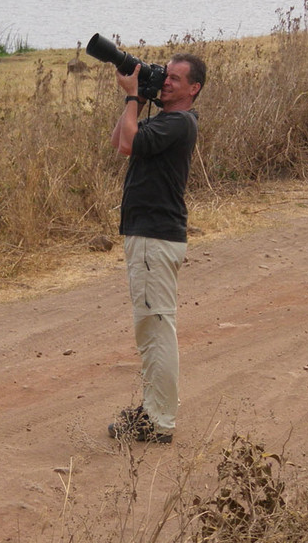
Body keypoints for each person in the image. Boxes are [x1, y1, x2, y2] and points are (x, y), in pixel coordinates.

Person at [107, 52, 206, 445]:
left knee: (156, 329)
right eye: (166, 75)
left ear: (193, 89)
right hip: (150, 236)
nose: (166, 82)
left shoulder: (180, 122)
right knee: (153, 326)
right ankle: (153, 410)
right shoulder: (167, 119)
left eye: (176, 80)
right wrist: (138, 99)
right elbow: (120, 142)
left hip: (155, 238)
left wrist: (133, 98)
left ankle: (158, 420)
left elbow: (130, 143)